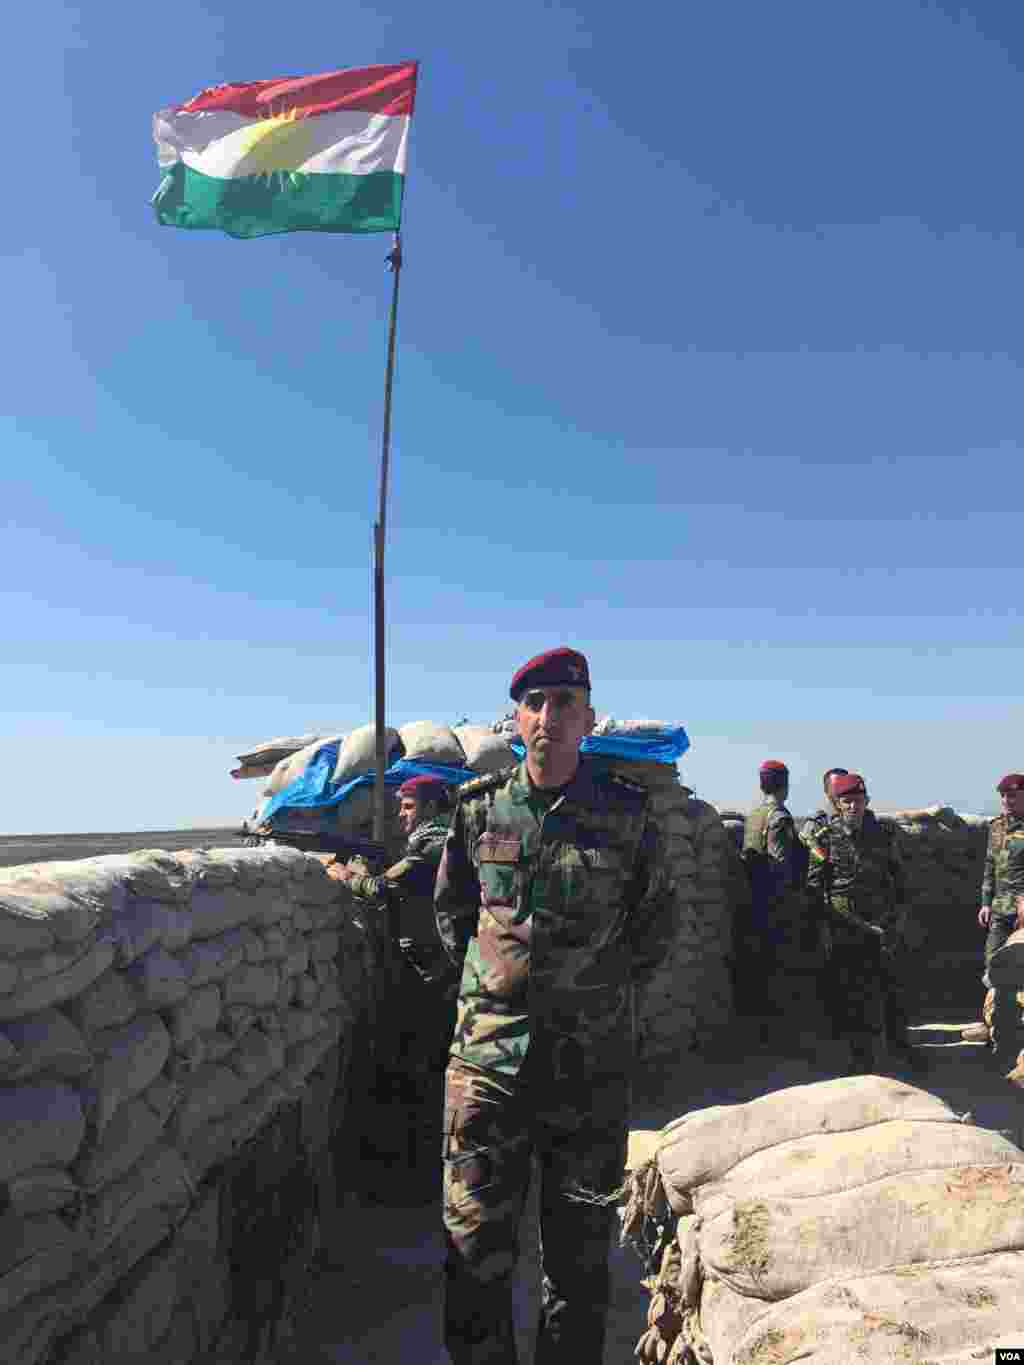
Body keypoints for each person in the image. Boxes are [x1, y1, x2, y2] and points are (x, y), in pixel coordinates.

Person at [433, 647, 676, 1365]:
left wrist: (590, 996)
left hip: (586, 1075)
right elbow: (452, 917)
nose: (548, 717)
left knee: (577, 1267)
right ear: (517, 716)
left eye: (563, 703)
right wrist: (495, 996)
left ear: (588, 718)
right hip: (488, 1071)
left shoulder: (627, 816)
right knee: (474, 1254)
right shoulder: (479, 810)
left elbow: (656, 927)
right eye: (534, 702)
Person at [333, 774, 456, 1197]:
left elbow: (382, 889)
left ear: (428, 807)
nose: (401, 816)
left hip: (434, 974)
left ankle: (423, 1170)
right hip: (426, 968)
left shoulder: (433, 843)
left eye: (407, 807)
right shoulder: (431, 840)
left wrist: (346, 874)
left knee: (423, 1067)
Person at [805, 772, 914, 1072]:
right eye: (847, 802)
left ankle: (899, 1049)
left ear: (867, 801)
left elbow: (899, 877)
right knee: (850, 991)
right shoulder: (824, 838)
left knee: (890, 988)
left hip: (881, 925)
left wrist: (899, 917)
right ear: (838, 804)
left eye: (858, 801)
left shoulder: (884, 834)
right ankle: (858, 1058)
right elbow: (815, 886)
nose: (853, 807)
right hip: (845, 927)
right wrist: (822, 926)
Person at [738, 760, 801, 1015]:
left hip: (752, 897)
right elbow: (780, 863)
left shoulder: (753, 816)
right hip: (774, 901)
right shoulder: (780, 817)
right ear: (785, 786)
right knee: (778, 962)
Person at [978, 773, 1024, 1071]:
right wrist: (985, 902)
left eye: (1014, 796)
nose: (1007, 801)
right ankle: (998, 1035)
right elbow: (990, 865)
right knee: (994, 970)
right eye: (1004, 796)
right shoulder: (996, 827)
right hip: (999, 910)